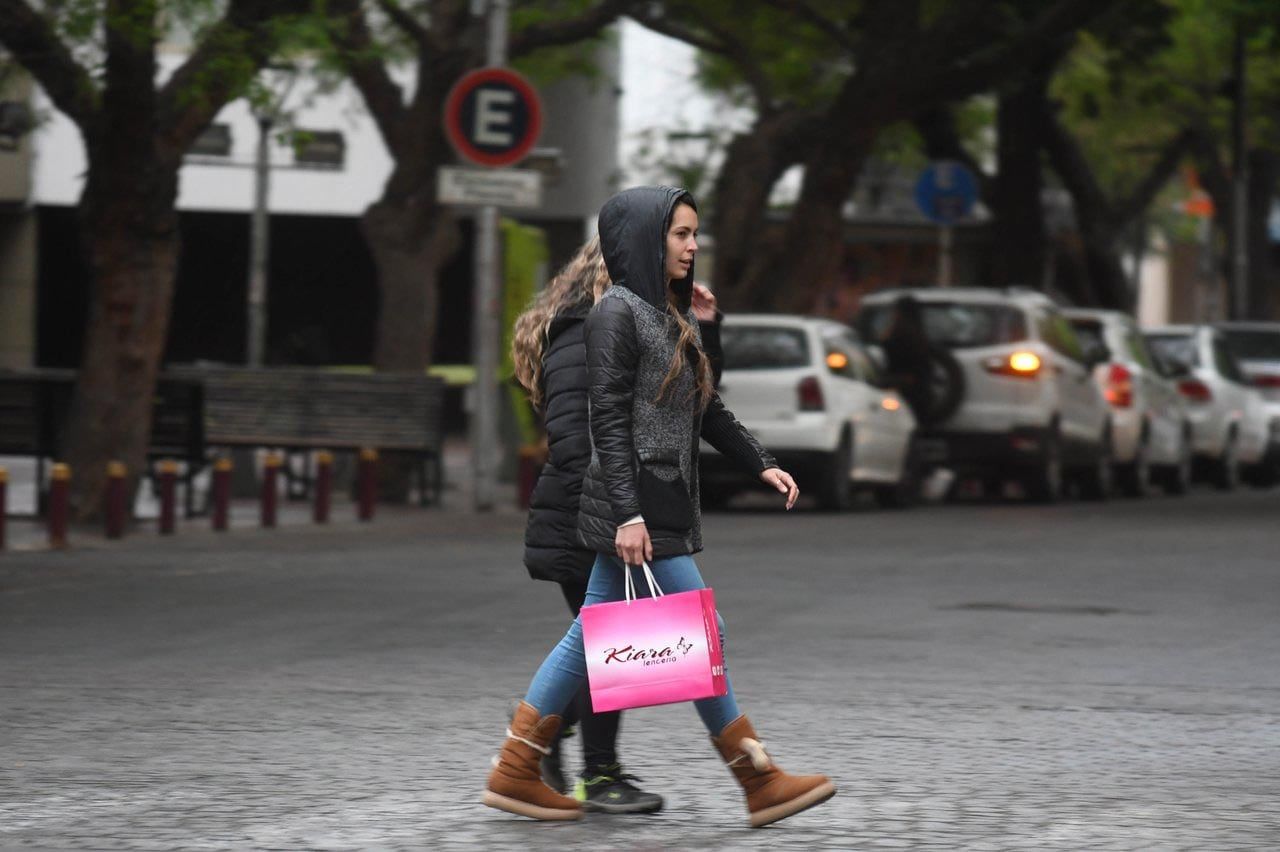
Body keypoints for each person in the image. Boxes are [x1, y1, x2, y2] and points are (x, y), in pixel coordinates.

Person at [484, 186, 835, 828]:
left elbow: (702, 406)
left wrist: (761, 461)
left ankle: (517, 768)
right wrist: (626, 513)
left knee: (596, 637)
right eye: (680, 234)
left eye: (694, 233)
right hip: (638, 506)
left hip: (661, 501)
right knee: (696, 633)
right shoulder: (615, 314)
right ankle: (757, 779)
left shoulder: (665, 313)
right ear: (647, 239)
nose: (693, 245)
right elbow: (606, 423)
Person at [510, 237, 724, 814]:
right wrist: (622, 514)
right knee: (618, 648)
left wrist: (706, 328)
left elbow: (694, 407)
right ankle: (586, 767)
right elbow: (581, 438)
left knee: (620, 648)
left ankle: (547, 732)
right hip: (591, 515)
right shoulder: (586, 332)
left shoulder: (624, 325)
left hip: (608, 512)